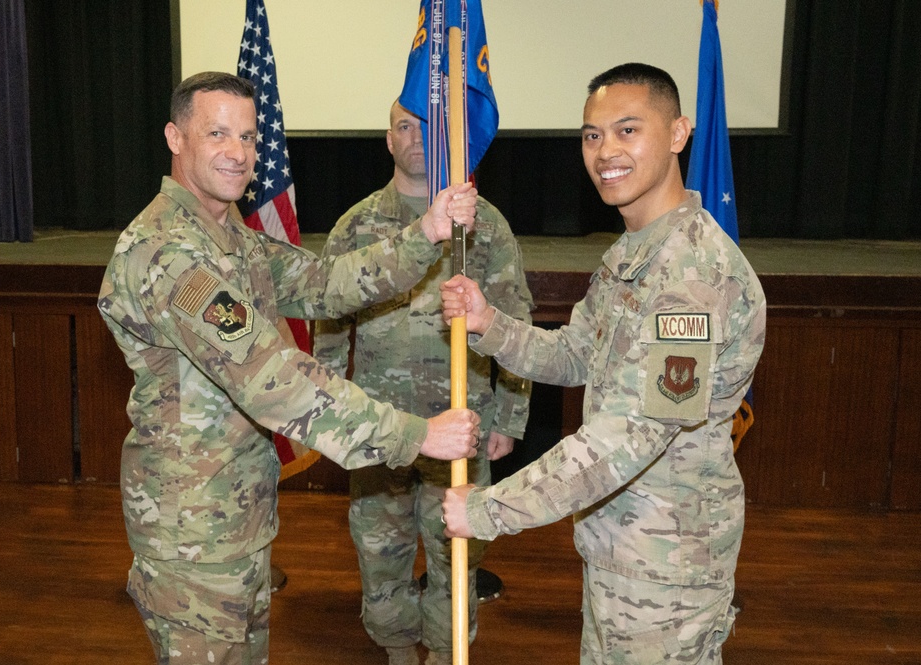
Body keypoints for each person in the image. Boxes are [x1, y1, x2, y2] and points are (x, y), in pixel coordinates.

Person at [98, 71, 484, 665]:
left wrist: (425, 233)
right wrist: (415, 434)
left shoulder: (231, 238)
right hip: (194, 533)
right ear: (176, 138)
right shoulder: (169, 253)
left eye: (249, 137)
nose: (239, 152)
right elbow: (272, 379)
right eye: (218, 134)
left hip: (236, 517)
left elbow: (326, 284)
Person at [440, 63, 766, 664]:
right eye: (592, 135)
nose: (605, 151)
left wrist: (491, 509)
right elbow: (575, 354)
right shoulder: (630, 254)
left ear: (677, 134)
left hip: (666, 570)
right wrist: (491, 326)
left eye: (627, 130)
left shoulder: (693, 274)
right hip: (619, 545)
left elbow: (633, 436)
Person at [314, 101, 533, 665]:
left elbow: (514, 318)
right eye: (404, 128)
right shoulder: (356, 226)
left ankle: (445, 648)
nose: (415, 139)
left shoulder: (485, 224)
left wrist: (509, 417)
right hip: (378, 427)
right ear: (388, 139)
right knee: (379, 548)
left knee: (456, 550)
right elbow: (331, 321)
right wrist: (328, 412)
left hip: (461, 422)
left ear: (446, 140)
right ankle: (395, 646)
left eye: (427, 128)